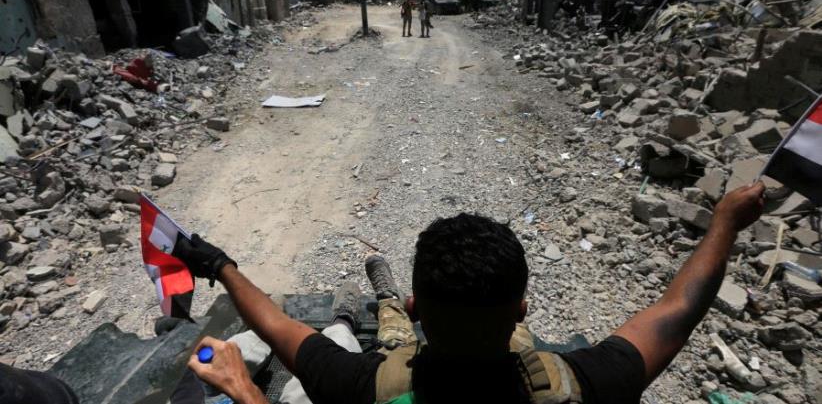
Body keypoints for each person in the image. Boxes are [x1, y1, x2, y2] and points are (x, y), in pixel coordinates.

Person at [177, 183, 766, 404]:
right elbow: (676, 313)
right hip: (501, 349)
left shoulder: (359, 387)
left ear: (420, 304)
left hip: (409, 354)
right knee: (519, 352)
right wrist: (724, 224)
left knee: (390, 346)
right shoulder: (582, 385)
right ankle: (387, 294)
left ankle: (385, 296)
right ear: (522, 309)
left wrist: (222, 268)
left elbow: (279, 328)